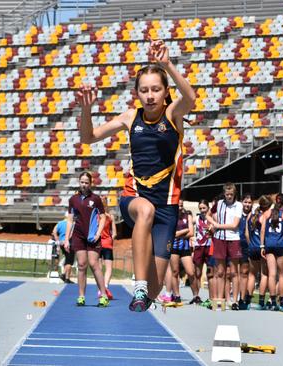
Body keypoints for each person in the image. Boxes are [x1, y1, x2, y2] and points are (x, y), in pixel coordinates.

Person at [76, 39, 195, 312]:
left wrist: (167, 65)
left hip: (168, 206)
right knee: (145, 211)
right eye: (144, 90)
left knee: (155, 290)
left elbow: (190, 99)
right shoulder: (131, 117)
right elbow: (88, 137)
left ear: (166, 92)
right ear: (136, 93)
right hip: (135, 196)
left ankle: (146, 289)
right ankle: (138, 284)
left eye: (156, 89)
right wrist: (86, 109)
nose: (150, 95)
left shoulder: (173, 114)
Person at [64, 172, 109, 307]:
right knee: (82, 265)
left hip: (92, 236)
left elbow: (103, 217)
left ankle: (103, 295)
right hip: (78, 236)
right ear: (79, 182)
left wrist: (98, 234)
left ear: (90, 184)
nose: (84, 185)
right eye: (82, 182)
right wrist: (67, 239)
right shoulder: (73, 199)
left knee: (94, 264)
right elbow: (70, 220)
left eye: (86, 183)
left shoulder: (95, 199)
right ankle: (81, 296)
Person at [206, 183, 243, 310]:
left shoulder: (239, 205)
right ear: (224, 194)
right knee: (220, 272)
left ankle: (234, 301)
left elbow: (234, 225)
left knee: (234, 272)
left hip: (233, 239)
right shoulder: (219, 203)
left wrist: (217, 226)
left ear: (234, 194)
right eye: (227, 194)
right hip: (220, 239)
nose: (229, 197)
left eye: (231, 194)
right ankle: (218, 301)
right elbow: (207, 215)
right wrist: (214, 223)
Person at [260, 193, 283, 312]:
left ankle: (273, 302)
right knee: (282, 275)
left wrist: (262, 245)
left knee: (271, 274)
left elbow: (263, 229)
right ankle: (282, 303)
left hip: (269, 245)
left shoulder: (268, 213)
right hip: (280, 244)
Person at [245, 195, 271, 310]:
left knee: (252, 274)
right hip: (261, 247)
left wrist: (250, 243)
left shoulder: (251, 215)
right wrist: (262, 246)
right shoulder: (264, 216)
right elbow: (263, 233)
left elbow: (246, 232)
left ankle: (248, 300)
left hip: (252, 247)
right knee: (264, 274)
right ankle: (261, 301)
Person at [169, 200, 196, 304]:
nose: (180, 207)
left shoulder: (187, 216)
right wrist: (185, 231)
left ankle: (195, 295)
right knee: (175, 271)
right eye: (178, 205)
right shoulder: (171, 216)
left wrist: (179, 233)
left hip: (185, 248)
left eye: (181, 205)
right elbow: (172, 234)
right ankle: (176, 295)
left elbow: (191, 232)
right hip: (173, 247)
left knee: (190, 272)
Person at [191, 199, 213, 305]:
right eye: (200, 208)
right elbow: (189, 227)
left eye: (204, 208)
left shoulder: (212, 218)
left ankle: (211, 297)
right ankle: (196, 296)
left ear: (208, 208)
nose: (202, 210)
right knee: (197, 273)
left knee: (210, 273)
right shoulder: (196, 218)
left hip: (209, 247)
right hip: (199, 247)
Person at [237, 194, 253, 310]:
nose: (247, 204)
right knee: (234, 272)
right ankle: (234, 297)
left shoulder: (254, 216)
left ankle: (244, 298)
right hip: (236, 244)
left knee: (245, 272)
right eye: (245, 202)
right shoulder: (237, 214)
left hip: (249, 246)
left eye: (249, 202)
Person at [99, 197, 117, 300]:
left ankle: (101, 288)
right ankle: (105, 286)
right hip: (107, 244)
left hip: (97, 243)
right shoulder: (110, 216)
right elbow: (114, 233)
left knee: (99, 267)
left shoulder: (96, 216)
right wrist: (110, 238)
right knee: (109, 267)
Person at [53, 213, 74, 283]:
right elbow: (71, 234)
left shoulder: (60, 223)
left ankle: (67, 278)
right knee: (70, 261)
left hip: (62, 243)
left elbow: (54, 232)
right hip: (69, 243)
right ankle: (64, 274)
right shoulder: (72, 223)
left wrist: (57, 240)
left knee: (67, 260)